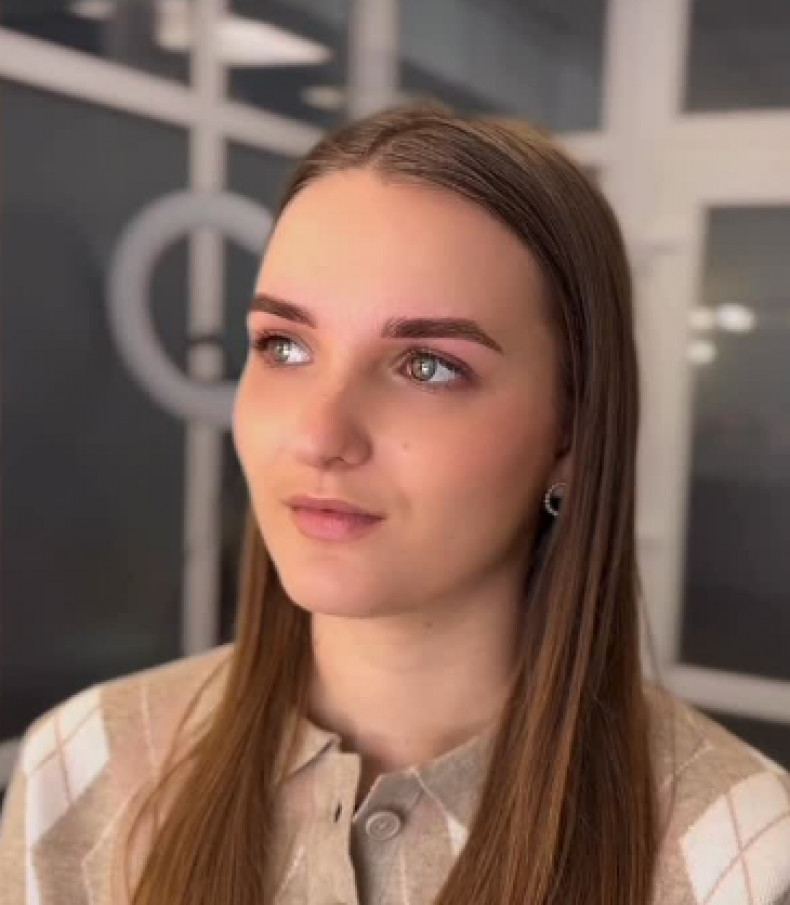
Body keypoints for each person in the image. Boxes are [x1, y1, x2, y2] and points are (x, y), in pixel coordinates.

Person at [1, 102, 789, 905]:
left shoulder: (741, 855)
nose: (319, 434)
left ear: (572, 432)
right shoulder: (83, 770)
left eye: (428, 365)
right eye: (284, 345)